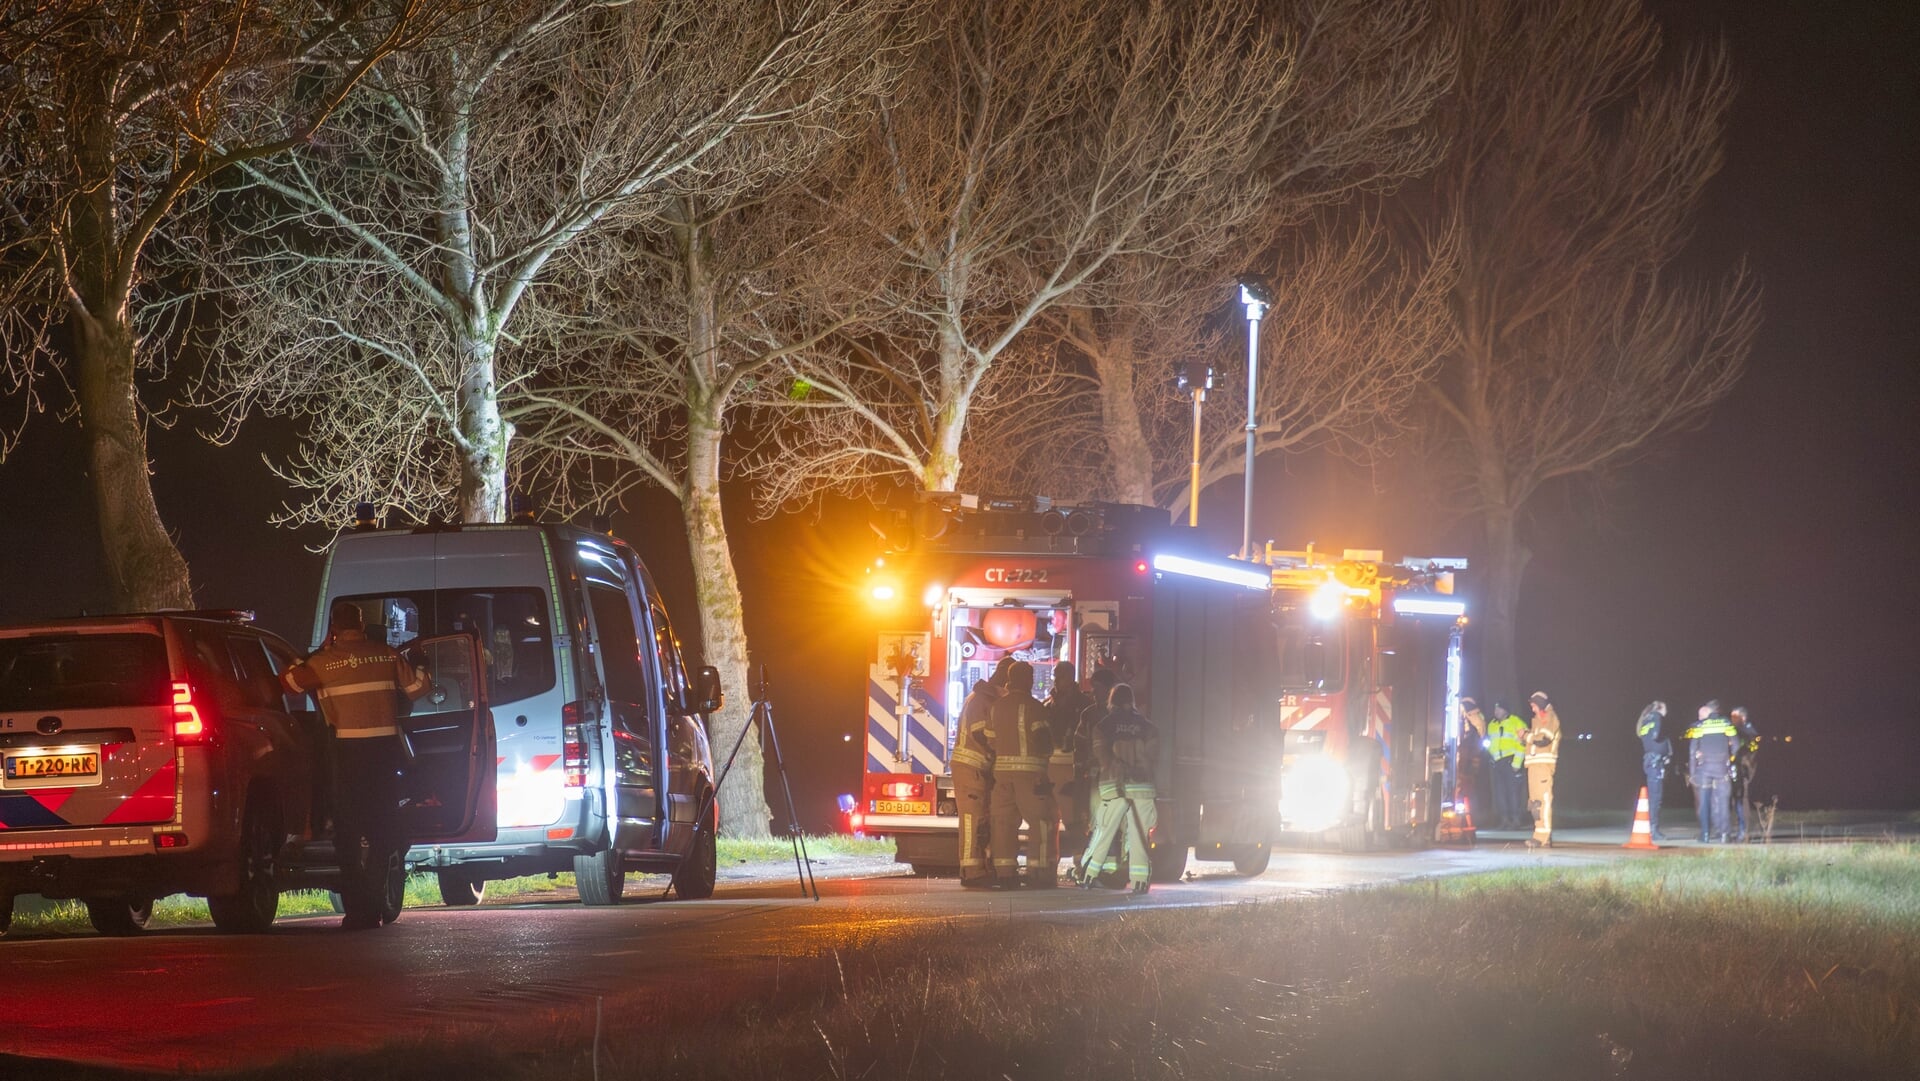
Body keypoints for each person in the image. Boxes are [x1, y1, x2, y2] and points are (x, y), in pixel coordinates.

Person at [281, 600, 430, 929]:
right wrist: (419, 661)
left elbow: (288, 682)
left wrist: (316, 652)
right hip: (384, 754)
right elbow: (420, 689)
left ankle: (357, 911)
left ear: (333, 628)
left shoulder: (323, 662)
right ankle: (376, 905)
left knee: (347, 835)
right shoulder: (387, 655)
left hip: (347, 755)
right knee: (381, 831)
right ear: (361, 626)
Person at [1075, 683, 1160, 894]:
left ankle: (1088, 876)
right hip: (1142, 787)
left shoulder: (1103, 726)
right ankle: (1140, 882)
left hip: (1113, 786)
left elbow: (1102, 758)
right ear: (1132, 701)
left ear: (1111, 701)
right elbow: (1154, 758)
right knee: (1139, 836)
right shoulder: (1149, 727)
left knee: (1104, 832)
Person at [988, 661, 1056, 887]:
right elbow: (1044, 740)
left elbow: (989, 739)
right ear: (1028, 679)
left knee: (1004, 823)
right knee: (1042, 821)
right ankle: (1040, 871)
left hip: (1002, 775)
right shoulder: (1035, 707)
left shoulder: (997, 706)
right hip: (1030, 775)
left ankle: (1005, 872)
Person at [952, 657, 1014, 888]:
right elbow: (981, 734)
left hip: (978, 769)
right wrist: (1003, 747)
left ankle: (980, 868)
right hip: (972, 768)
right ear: (1005, 679)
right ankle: (971, 871)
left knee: (980, 820)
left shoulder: (984, 696)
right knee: (972, 820)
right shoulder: (982, 700)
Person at [1044, 662, 1090, 868]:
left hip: (1072, 769)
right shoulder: (1049, 704)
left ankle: (1081, 863)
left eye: (1059, 676)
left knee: (1074, 820)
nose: (1056, 680)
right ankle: (1050, 863)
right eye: (1055, 676)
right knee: (1049, 817)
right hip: (1051, 768)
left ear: (1070, 678)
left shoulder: (1083, 704)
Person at [1685, 701, 1737, 843]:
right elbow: (1736, 745)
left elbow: (1692, 751)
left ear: (1708, 713)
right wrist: (1730, 760)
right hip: (1721, 768)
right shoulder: (1726, 723)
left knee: (1704, 803)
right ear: (1718, 711)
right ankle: (1725, 834)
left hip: (1704, 769)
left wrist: (1693, 772)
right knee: (1723, 801)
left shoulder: (1699, 726)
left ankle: (1706, 834)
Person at [1523, 691, 1562, 848]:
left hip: (1543, 767)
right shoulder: (1538, 720)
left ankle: (1541, 837)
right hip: (1534, 766)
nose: (1532, 709)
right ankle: (1542, 835)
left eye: (1533, 705)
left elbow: (1543, 740)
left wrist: (1525, 736)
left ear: (1539, 704)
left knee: (1542, 802)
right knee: (1535, 804)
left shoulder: (1549, 718)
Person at [1635, 701, 1672, 840]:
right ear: (1660, 709)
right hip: (1656, 762)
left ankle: (1653, 828)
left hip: (1649, 760)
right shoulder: (1656, 717)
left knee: (1654, 795)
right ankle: (1653, 830)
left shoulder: (1645, 720)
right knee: (1656, 797)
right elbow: (1656, 735)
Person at [1487, 702, 1528, 830]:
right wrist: (1491, 757)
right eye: (1495, 709)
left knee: (1513, 792)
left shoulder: (1516, 722)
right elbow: (1490, 743)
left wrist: (1517, 763)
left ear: (1506, 710)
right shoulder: (1491, 725)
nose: (1496, 711)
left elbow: (1522, 744)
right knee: (1500, 793)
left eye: (1499, 708)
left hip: (1511, 761)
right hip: (1497, 762)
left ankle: (1516, 820)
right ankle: (1504, 819)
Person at [1457, 697, 1490, 827]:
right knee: (1469, 789)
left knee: (1464, 789)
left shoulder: (1469, 717)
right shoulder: (1478, 717)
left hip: (1466, 758)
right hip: (1472, 758)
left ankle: (1466, 820)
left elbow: (1467, 735)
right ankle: (1470, 819)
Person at [1730, 706, 1759, 842]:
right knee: (1736, 800)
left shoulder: (1748, 731)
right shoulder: (1736, 730)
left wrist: (1745, 764)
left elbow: (1751, 752)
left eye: (1735, 717)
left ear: (1743, 717)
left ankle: (1744, 830)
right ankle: (1739, 828)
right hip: (1736, 768)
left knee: (1742, 799)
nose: (1732, 720)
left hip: (1745, 771)